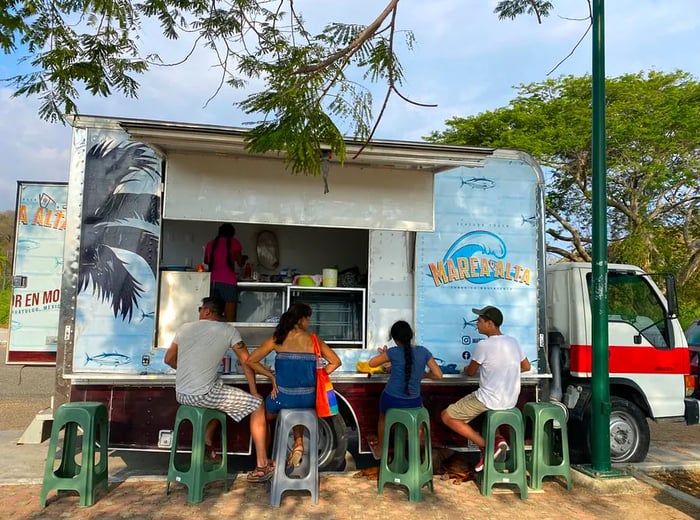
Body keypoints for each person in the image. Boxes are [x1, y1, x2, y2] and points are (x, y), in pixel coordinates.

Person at [164, 296, 275, 482]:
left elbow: (168, 359)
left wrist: (186, 371)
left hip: (182, 394)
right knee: (257, 404)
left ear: (207, 311)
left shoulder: (184, 328)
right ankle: (262, 465)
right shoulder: (228, 330)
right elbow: (247, 361)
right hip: (203, 394)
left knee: (218, 390)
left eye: (200, 308)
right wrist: (254, 391)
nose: (199, 312)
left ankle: (208, 445)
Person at [246, 302, 342, 472]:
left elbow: (250, 361)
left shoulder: (278, 338)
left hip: (283, 398)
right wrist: (319, 377)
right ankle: (298, 443)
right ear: (302, 319)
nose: (309, 323)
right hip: (309, 399)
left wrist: (271, 376)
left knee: (264, 415)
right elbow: (336, 362)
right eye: (308, 319)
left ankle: (264, 459)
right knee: (298, 407)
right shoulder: (314, 340)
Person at [440, 305, 530, 472]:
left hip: (489, 399)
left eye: (480, 321)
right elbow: (526, 366)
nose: (477, 324)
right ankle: (497, 439)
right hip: (510, 400)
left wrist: (467, 369)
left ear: (490, 324)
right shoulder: (513, 342)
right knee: (486, 418)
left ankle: (487, 446)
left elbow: (471, 371)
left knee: (447, 416)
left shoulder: (484, 345)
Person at [366, 320, 443, 459]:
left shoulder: (393, 352)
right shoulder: (423, 352)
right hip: (413, 402)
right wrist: (424, 374)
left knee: (383, 418)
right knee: (419, 412)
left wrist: (385, 357)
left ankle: (381, 450)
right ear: (411, 335)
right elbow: (438, 375)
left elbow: (371, 363)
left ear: (394, 339)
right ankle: (416, 451)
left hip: (390, 400)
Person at [203, 223, 248, 322]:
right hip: (229, 283)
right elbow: (240, 263)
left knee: (213, 318)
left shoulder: (211, 244)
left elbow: (206, 261)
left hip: (213, 282)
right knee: (229, 319)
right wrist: (243, 258)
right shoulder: (234, 243)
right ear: (232, 234)